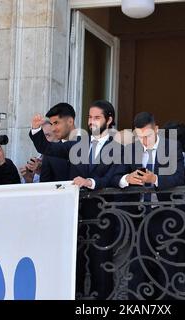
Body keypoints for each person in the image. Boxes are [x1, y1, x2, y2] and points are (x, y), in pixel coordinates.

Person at [30, 100, 126, 299]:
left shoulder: (119, 146)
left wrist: (90, 181)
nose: (92, 121)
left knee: (101, 264)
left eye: (97, 117)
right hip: (77, 214)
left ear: (109, 120)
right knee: (75, 262)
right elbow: (49, 149)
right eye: (90, 117)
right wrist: (36, 129)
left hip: (103, 215)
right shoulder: (78, 144)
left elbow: (114, 177)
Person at [114, 112, 185, 299]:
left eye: (147, 136)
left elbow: (179, 178)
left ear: (156, 129)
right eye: (139, 137)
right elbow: (116, 176)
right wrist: (127, 178)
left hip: (165, 214)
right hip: (139, 214)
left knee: (169, 265)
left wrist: (154, 179)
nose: (144, 141)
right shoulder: (131, 149)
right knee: (137, 265)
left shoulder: (172, 146)